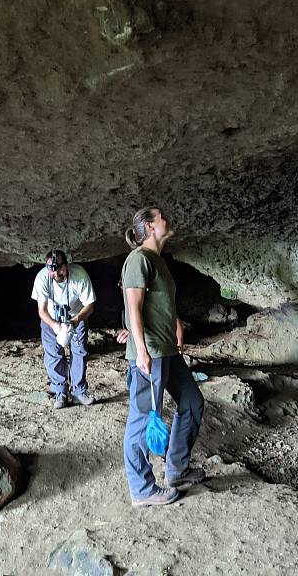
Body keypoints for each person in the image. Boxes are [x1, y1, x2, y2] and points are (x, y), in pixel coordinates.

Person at [121, 207, 205, 507]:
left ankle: (177, 470)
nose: (168, 219)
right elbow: (134, 308)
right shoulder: (138, 260)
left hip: (167, 349)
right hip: (150, 354)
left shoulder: (158, 261)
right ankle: (142, 488)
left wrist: (177, 326)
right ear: (149, 226)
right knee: (143, 419)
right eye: (161, 217)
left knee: (193, 402)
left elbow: (161, 305)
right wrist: (141, 351)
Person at [31, 250, 96, 409]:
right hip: (51, 319)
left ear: (66, 266)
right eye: (52, 270)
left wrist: (75, 321)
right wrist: (55, 325)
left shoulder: (79, 276)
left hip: (76, 316)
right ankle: (61, 392)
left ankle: (79, 391)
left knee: (79, 351)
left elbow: (90, 306)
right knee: (53, 353)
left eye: (59, 269)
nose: (56, 273)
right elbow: (42, 310)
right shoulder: (42, 278)